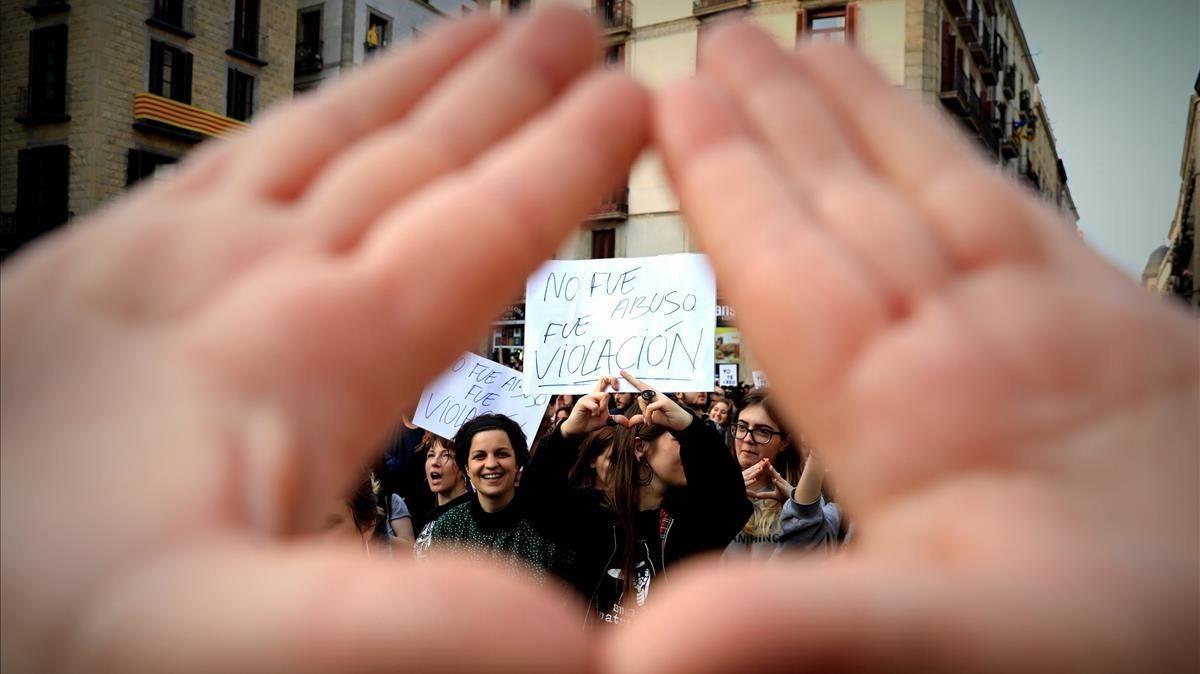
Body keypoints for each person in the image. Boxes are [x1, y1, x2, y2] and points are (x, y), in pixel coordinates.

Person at [1, 7, 1196, 673]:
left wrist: (684, 418)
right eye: (484, 458)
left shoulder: (706, 513)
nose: (640, 449)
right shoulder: (541, 507)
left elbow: (725, 494)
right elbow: (561, 499)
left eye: (656, 448)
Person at [522, 372, 751, 625]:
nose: (688, 451)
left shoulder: (690, 524)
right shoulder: (591, 514)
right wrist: (566, 434)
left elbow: (732, 502)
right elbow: (535, 500)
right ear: (640, 447)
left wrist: (689, 427)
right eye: (678, 440)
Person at [421, 414, 568, 584]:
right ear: (467, 468)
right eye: (480, 456)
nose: (491, 464)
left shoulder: (544, 524)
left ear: (517, 463)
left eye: (501, 454)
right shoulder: (448, 526)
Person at [725, 389, 840, 559]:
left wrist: (799, 513)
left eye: (762, 431)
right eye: (742, 427)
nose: (748, 438)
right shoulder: (710, 490)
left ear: (784, 442)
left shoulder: (804, 499)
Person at [411, 433, 470, 557]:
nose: (435, 462)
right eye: (431, 455)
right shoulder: (431, 513)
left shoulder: (468, 517)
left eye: (446, 455)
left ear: (464, 468)